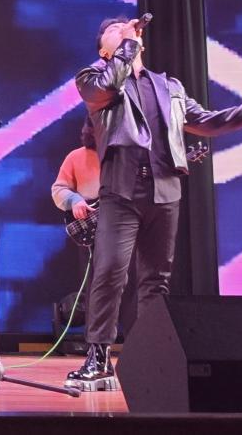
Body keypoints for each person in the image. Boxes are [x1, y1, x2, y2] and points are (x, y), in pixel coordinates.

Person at [67, 15, 242, 390]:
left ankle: (150, 358)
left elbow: (209, 122)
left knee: (155, 281)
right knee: (110, 273)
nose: (123, 29)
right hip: (121, 191)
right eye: (113, 30)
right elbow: (108, 85)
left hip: (165, 191)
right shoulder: (92, 78)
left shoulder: (169, 86)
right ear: (104, 50)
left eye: (126, 28)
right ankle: (98, 359)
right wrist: (127, 45)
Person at [50, 118, 138, 339]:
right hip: (93, 230)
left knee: (130, 283)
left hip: (124, 226)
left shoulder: (127, 157)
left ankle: (136, 340)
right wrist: (75, 201)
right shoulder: (76, 157)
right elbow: (58, 189)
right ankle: (96, 343)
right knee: (97, 284)